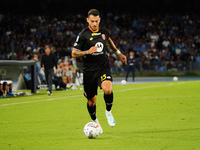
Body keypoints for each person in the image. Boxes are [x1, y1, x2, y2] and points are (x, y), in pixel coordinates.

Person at [72, 9, 127, 133]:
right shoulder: (83, 35)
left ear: (99, 20)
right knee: (91, 101)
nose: (95, 23)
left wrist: (118, 53)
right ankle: (95, 122)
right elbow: (74, 53)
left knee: (108, 89)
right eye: (92, 21)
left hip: (103, 67)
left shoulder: (104, 32)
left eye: (96, 21)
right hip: (89, 71)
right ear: (87, 20)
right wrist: (87, 52)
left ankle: (108, 111)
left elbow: (108, 41)